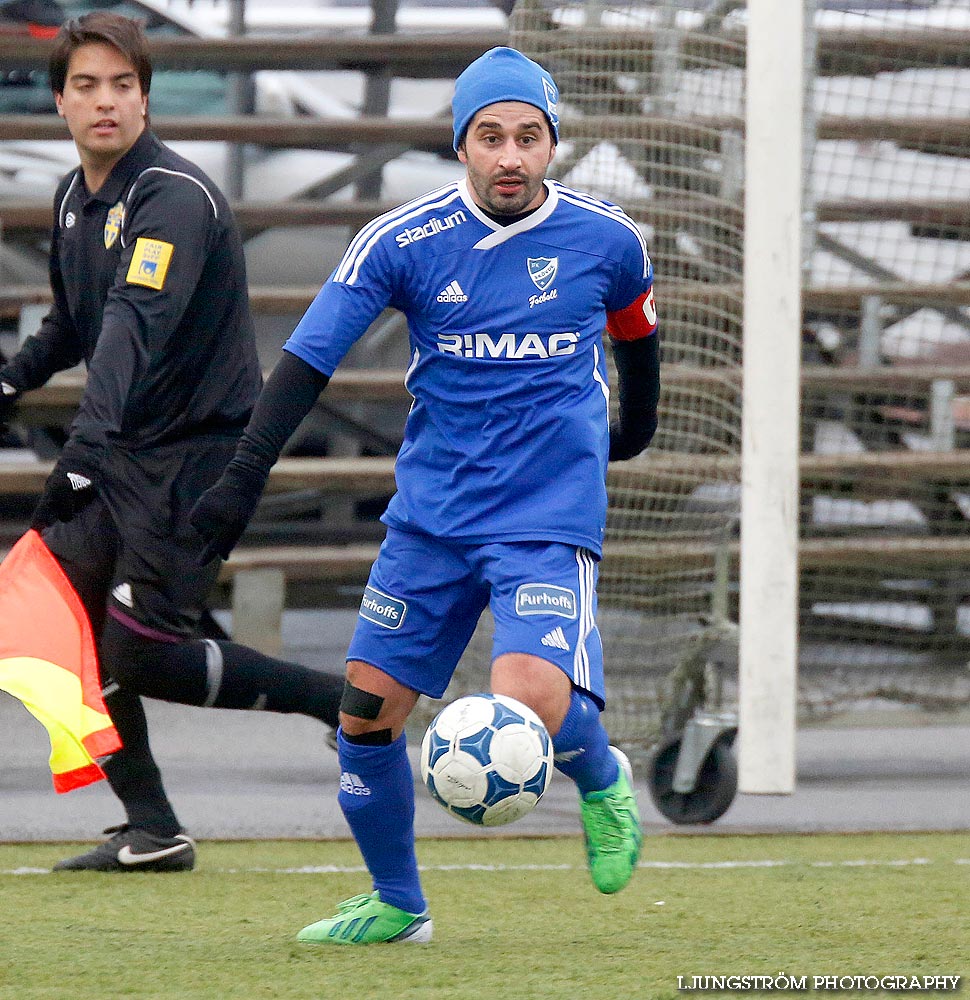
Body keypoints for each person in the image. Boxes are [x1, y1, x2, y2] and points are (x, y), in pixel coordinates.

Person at [191, 46, 660, 943]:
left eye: (529, 136)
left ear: (553, 143)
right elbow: (306, 362)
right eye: (492, 137)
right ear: (462, 145)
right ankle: (400, 907)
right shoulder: (403, 243)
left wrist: (628, 435)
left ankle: (598, 774)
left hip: (545, 517)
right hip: (433, 519)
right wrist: (242, 477)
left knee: (532, 698)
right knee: (365, 715)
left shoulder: (607, 241)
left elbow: (637, 342)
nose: (511, 156)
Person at [0, 12, 343, 872]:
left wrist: (77, 460)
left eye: (122, 84)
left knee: (140, 651)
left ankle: (339, 700)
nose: (105, 101)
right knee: (54, 622)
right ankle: (152, 830)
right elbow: (77, 326)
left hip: (198, 457)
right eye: (86, 85)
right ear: (60, 101)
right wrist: (12, 377)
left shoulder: (173, 199)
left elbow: (130, 333)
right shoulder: (77, 198)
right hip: (129, 451)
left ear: (146, 97)